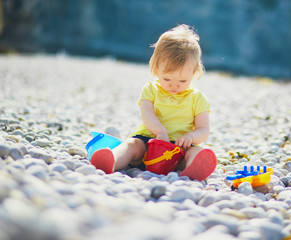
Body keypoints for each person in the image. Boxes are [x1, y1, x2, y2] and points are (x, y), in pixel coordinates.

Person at [90, 24, 217, 181]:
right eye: (167, 79)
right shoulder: (151, 90)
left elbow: (203, 129)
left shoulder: (197, 98)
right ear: (156, 69)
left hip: (179, 148)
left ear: (195, 71)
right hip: (149, 143)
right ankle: (112, 160)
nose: (174, 85)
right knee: (131, 144)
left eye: (182, 80)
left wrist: (191, 137)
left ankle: (194, 169)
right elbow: (147, 114)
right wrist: (160, 132)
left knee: (196, 151)